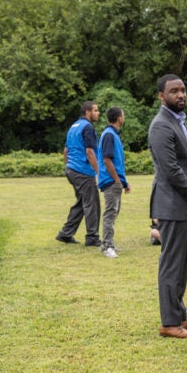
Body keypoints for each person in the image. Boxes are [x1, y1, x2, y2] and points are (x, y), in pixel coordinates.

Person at [148, 74, 187, 339]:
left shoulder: (178, 122)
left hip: (186, 203)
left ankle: (180, 317)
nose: (181, 95)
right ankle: (169, 323)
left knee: (182, 263)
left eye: (183, 90)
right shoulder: (161, 125)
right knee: (172, 264)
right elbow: (170, 169)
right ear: (161, 96)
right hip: (172, 204)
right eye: (174, 91)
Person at [56, 101, 102, 247]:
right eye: (95, 110)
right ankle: (92, 237)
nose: (98, 113)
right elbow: (89, 151)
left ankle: (66, 233)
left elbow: (66, 151)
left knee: (82, 203)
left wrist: (69, 166)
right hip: (83, 171)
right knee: (92, 204)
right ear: (87, 112)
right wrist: (98, 171)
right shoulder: (87, 127)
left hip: (71, 169)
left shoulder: (74, 126)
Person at [97, 106, 130, 258]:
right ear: (119, 118)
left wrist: (124, 182)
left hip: (115, 180)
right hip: (110, 181)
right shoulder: (109, 135)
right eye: (123, 115)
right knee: (110, 213)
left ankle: (107, 242)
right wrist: (117, 180)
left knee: (114, 212)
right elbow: (107, 160)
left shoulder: (114, 135)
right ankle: (107, 246)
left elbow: (117, 162)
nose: (124, 118)